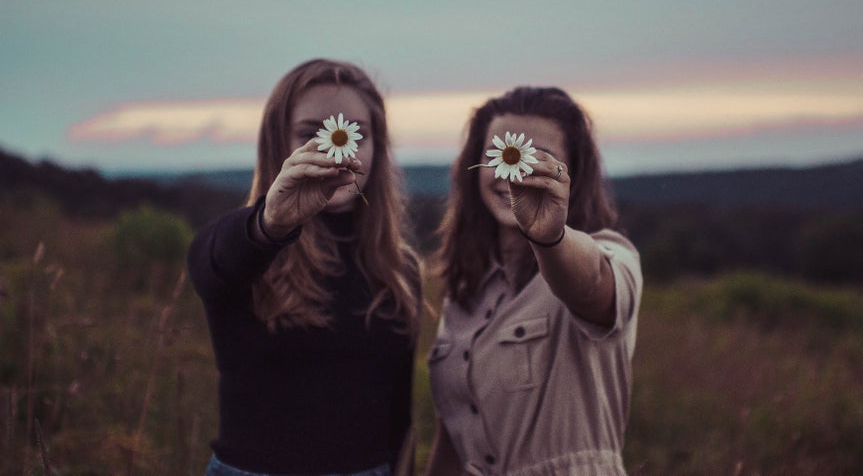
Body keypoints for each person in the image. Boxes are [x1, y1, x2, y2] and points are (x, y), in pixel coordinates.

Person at [188, 59, 421, 476]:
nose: (336, 147)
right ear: (278, 142)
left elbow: (400, 417)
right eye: (311, 133)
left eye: (357, 133)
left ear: (377, 147)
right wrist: (271, 223)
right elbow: (210, 264)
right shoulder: (248, 245)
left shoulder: (400, 268)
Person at [424, 86, 642, 476]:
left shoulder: (611, 254)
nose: (516, 170)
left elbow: (591, 285)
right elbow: (455, 438)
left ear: (574, 172)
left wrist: (550, 236)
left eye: (540, 157)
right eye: (502, 153)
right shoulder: (465, 292)